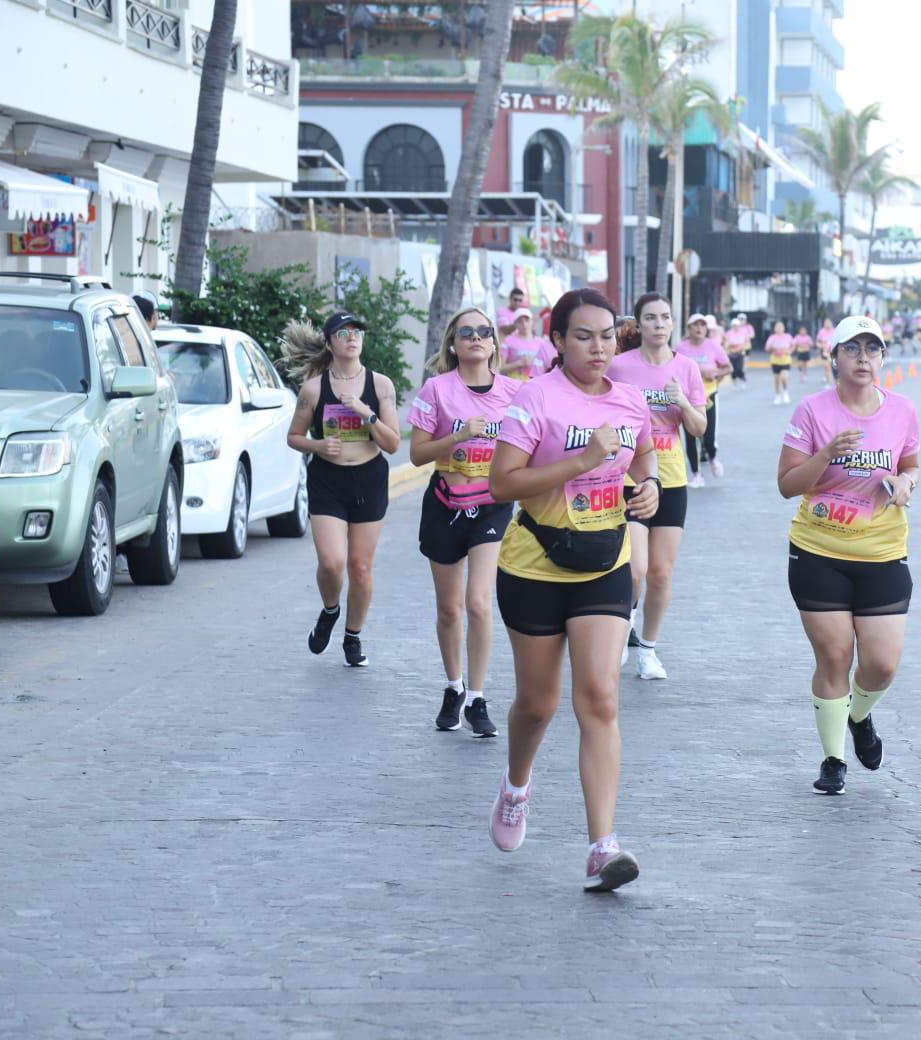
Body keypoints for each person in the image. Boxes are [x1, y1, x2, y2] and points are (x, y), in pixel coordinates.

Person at [486, 288, 660, 892]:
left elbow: (643, 459)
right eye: (583, 336)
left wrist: (650, 487)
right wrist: (582, 461)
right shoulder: (535, 397)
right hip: (534, 565)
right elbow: (502, 483)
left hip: (605, 561)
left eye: (608, 335)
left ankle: (601, 846)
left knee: (601, 698)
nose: (598, 347)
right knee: (537, 704)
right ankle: (516, 784)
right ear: (556, 341)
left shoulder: (632, 400)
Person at [777, 315, 921, 797]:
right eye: (853, 348)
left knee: (881, 663)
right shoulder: (812, 412)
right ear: (833, 357)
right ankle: (834, 758)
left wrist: (905, 483)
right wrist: (826, 454)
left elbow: (911, 464)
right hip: (819, 550)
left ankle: (859, 716)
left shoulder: (902, 410)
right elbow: (786, 484)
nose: (864, 358)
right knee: (835, 656)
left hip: (882, 551)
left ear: (883, 357)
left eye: (872, 349)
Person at [408, 307, 518, 737]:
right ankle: (453, 687)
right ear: (453, 344)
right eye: (465, 332)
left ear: (493, 344)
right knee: (450, 608)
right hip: (444, 503)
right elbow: (417, 454)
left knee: (478, 602)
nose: (474, 337)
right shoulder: (436, 389)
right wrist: (457, 435)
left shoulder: (514, 392)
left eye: (483, 331)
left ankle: (477, 697)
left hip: (491, 505)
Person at [283, 311, 402, 668]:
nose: (352, 337)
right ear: (330, 341)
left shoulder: (381, 385)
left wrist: (366, 414)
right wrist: (318, 447)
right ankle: (330, 610)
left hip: (368, 479)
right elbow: (293, 437)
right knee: (332, 564)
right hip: (328, 480)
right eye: (344, 332)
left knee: (360, 568)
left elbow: (394, 444)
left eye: (357, 332)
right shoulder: (314, 388)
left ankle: (353, 635)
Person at [607, 293, 707, 680]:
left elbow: (699, 428)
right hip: (629, 478)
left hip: (671, 478)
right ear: (641, 324)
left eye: (665, 317)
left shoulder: (687, 369)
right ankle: (619, 633)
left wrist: (682, 401)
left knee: (661, 573)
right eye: (651, 318)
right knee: (635, 569)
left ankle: (647, 651)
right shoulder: (619, 367)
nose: (659, 324)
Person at [677, 313, 733, 484]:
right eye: (695, 325)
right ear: (689, 328)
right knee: (690, 436)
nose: (699, 328)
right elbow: (673, 369)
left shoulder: (713, 347)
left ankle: (713, 457)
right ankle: (696, 474)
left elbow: (728, 367)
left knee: (708, 435)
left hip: (708, 395)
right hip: (687, 398)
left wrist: (715, 374)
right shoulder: (681, 348)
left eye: (702, 325)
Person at [501, 308, 556, 381]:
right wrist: (519, 363)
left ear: (532, 322)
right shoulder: (508, 341)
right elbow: (500, 368)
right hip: (515, 386)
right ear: (515, 324)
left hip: (537, 386)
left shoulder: (542, 343)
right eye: (520, 322)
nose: (524, 324)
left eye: (527, 320)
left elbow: (550, 368)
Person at [765, 320, 795, 404]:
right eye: (777, 327)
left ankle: (785, 393)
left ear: (783, 328)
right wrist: (772, 349)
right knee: (776, 379)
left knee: (783, 377)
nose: (779, 328)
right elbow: (767, 348)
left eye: (780, 327)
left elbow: (793, 346)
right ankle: (777, 396)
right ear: (774, 328)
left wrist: (789, 351)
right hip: (775, 361)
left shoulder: (788, 336)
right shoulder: (772, 337)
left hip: (785, 360)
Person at [724, 314, 753, 388]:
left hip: (741, 352)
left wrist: (742, 347)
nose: (735, 327)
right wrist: (728, 346)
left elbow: (747, 343)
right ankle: (734, 383)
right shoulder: (728, 333)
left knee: (739, 368)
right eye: (734, 325)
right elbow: (726, 343)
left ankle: (743, 380)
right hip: (731, 353)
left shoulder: (744, 333)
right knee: (732, 369)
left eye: (737, 325)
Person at [815, 318, 836, 386]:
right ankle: (829, 383)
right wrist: (821, 346)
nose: (827, 324)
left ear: (831, 324)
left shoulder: (835, 331)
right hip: (825, 352)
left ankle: (835, 382)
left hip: (833, 352)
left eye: (829, 323)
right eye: (826, 323)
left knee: (834, 368)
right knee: (827, 367)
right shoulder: (821, 331)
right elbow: (817, 342)